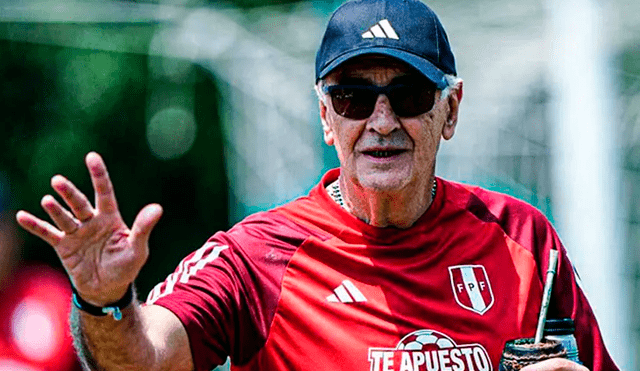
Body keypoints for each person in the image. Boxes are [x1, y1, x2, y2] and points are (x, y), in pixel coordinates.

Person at [15, 0, 618, 370]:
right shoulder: (258, 255)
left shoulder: (522, 240)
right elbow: (144, 359)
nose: (382, 122)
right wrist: (104, 300)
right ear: (326, 118)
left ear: (450, 111)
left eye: (407, 97)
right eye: (354, 98)